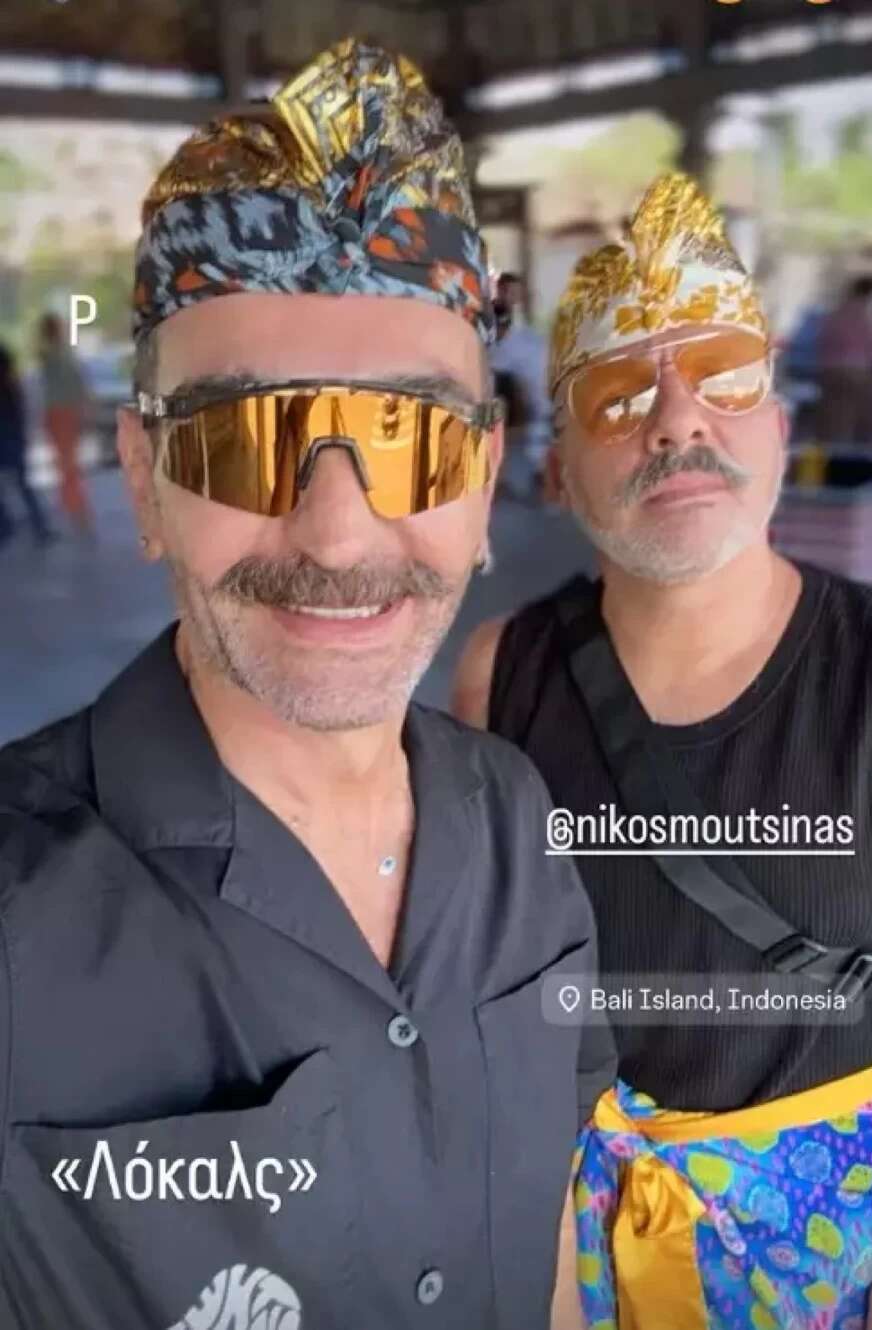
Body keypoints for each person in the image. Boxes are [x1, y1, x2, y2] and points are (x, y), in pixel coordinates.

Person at [0, 40, 614, 1330]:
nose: (335, 536)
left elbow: (551, 1223)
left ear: (483, 479)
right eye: (243, 437)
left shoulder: (517, 817)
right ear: (145, 481)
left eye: (412, 435)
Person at [454, 173, 872, 1328]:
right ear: (555, 467)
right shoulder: (499, 673)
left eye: (724, 375)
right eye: (616, 395)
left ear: (778, 424)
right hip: (571, 1258)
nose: (677, 419)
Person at [490, 271, 553, 502]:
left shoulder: (530, 330)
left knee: (542, 402)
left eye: (516, 292)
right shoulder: (494, 314)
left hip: (528, 370)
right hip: (500, 366)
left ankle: (541, 468)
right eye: (508, 291)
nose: (513, 296)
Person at [36, 309, 94, 534]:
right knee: (67, 466)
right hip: (63, 413)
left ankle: (76, 510)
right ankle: (76, 510)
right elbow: (76, 384)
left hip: (60, 413)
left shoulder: (53, 354)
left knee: (66, 466)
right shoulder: (59, 354)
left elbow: (71, 385)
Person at [0, 343, 53, 548]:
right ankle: (38, 526)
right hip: (11, 434)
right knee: (23, 483)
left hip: (9, 433)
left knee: (16, 484)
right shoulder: (10, 387)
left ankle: (6, 527)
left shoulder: (10, 387)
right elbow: (18, 408)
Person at [817, 275, 872, 445]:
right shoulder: (867, 314)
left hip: (830, 369)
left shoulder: (836, 312)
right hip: (857, 370)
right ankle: (846, 449)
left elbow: (824, 339)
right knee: (855, 414)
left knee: (832, 413)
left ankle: (831, 447)